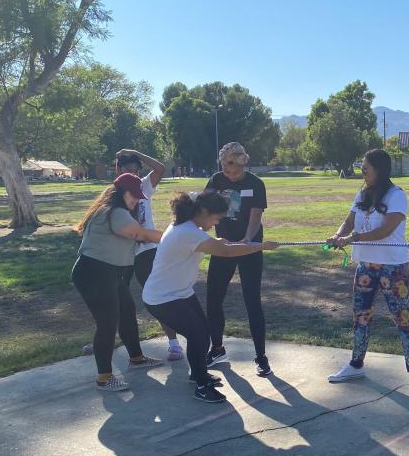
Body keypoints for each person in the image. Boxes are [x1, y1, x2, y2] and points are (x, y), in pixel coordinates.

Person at [143, 191, 278, 403]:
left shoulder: (186, 227)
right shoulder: (189, 232)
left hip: (180, 293)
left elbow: (213, 244)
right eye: (216, 218)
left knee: (202, 333)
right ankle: (201, 385)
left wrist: (217, 241)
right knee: (199, 336)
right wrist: (261, 246)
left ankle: (198, 374)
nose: (216, 223)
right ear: (203, 212)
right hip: (163, 298)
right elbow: (225, 252)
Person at [326, 149, 409, 396]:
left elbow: (385, 230)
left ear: (380, 170)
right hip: (365, 265)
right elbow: (349, 221)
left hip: (392, 267)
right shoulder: (362, 193)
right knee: (360, 316)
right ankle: (356, 365)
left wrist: (353, 238)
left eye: (366, 169)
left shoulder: (397, 195)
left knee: (402, 317)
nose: (362, 172)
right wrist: (339, 235)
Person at [72, 174, 166, 391]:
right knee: (107, 323)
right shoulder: (115, 213)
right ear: (121, 193)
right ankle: (104, 377)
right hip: (95, 272)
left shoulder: (115, 211)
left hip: (109, 272)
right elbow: (139, 233)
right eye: (133, 195)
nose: (136, 200)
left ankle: (136, 358)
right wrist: (173, 235)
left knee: (127, 310)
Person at [204, 142, 271, 376]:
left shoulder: (255, 184)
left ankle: (261, 356)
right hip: (223, 247)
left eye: (234, 170)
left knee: (252, 300)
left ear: (243, 162)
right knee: (213, 298)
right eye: (226, 170)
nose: (230, 176)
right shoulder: (215, 180)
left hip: (248, 247)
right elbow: (204, 209)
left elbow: (255, 217)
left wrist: (247, 240)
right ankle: (217, 348)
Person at [113, 149, 183, 362]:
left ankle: (173, 343)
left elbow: (160, 168)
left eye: (135, 170)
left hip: (145, 251)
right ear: (118, 170)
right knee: (113, 299)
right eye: (127, 170)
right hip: (121, 254)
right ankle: (106, 339)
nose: (132, 174)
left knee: (157, 296)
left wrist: (135, 153)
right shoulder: (112, 192)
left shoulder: (143, 186)